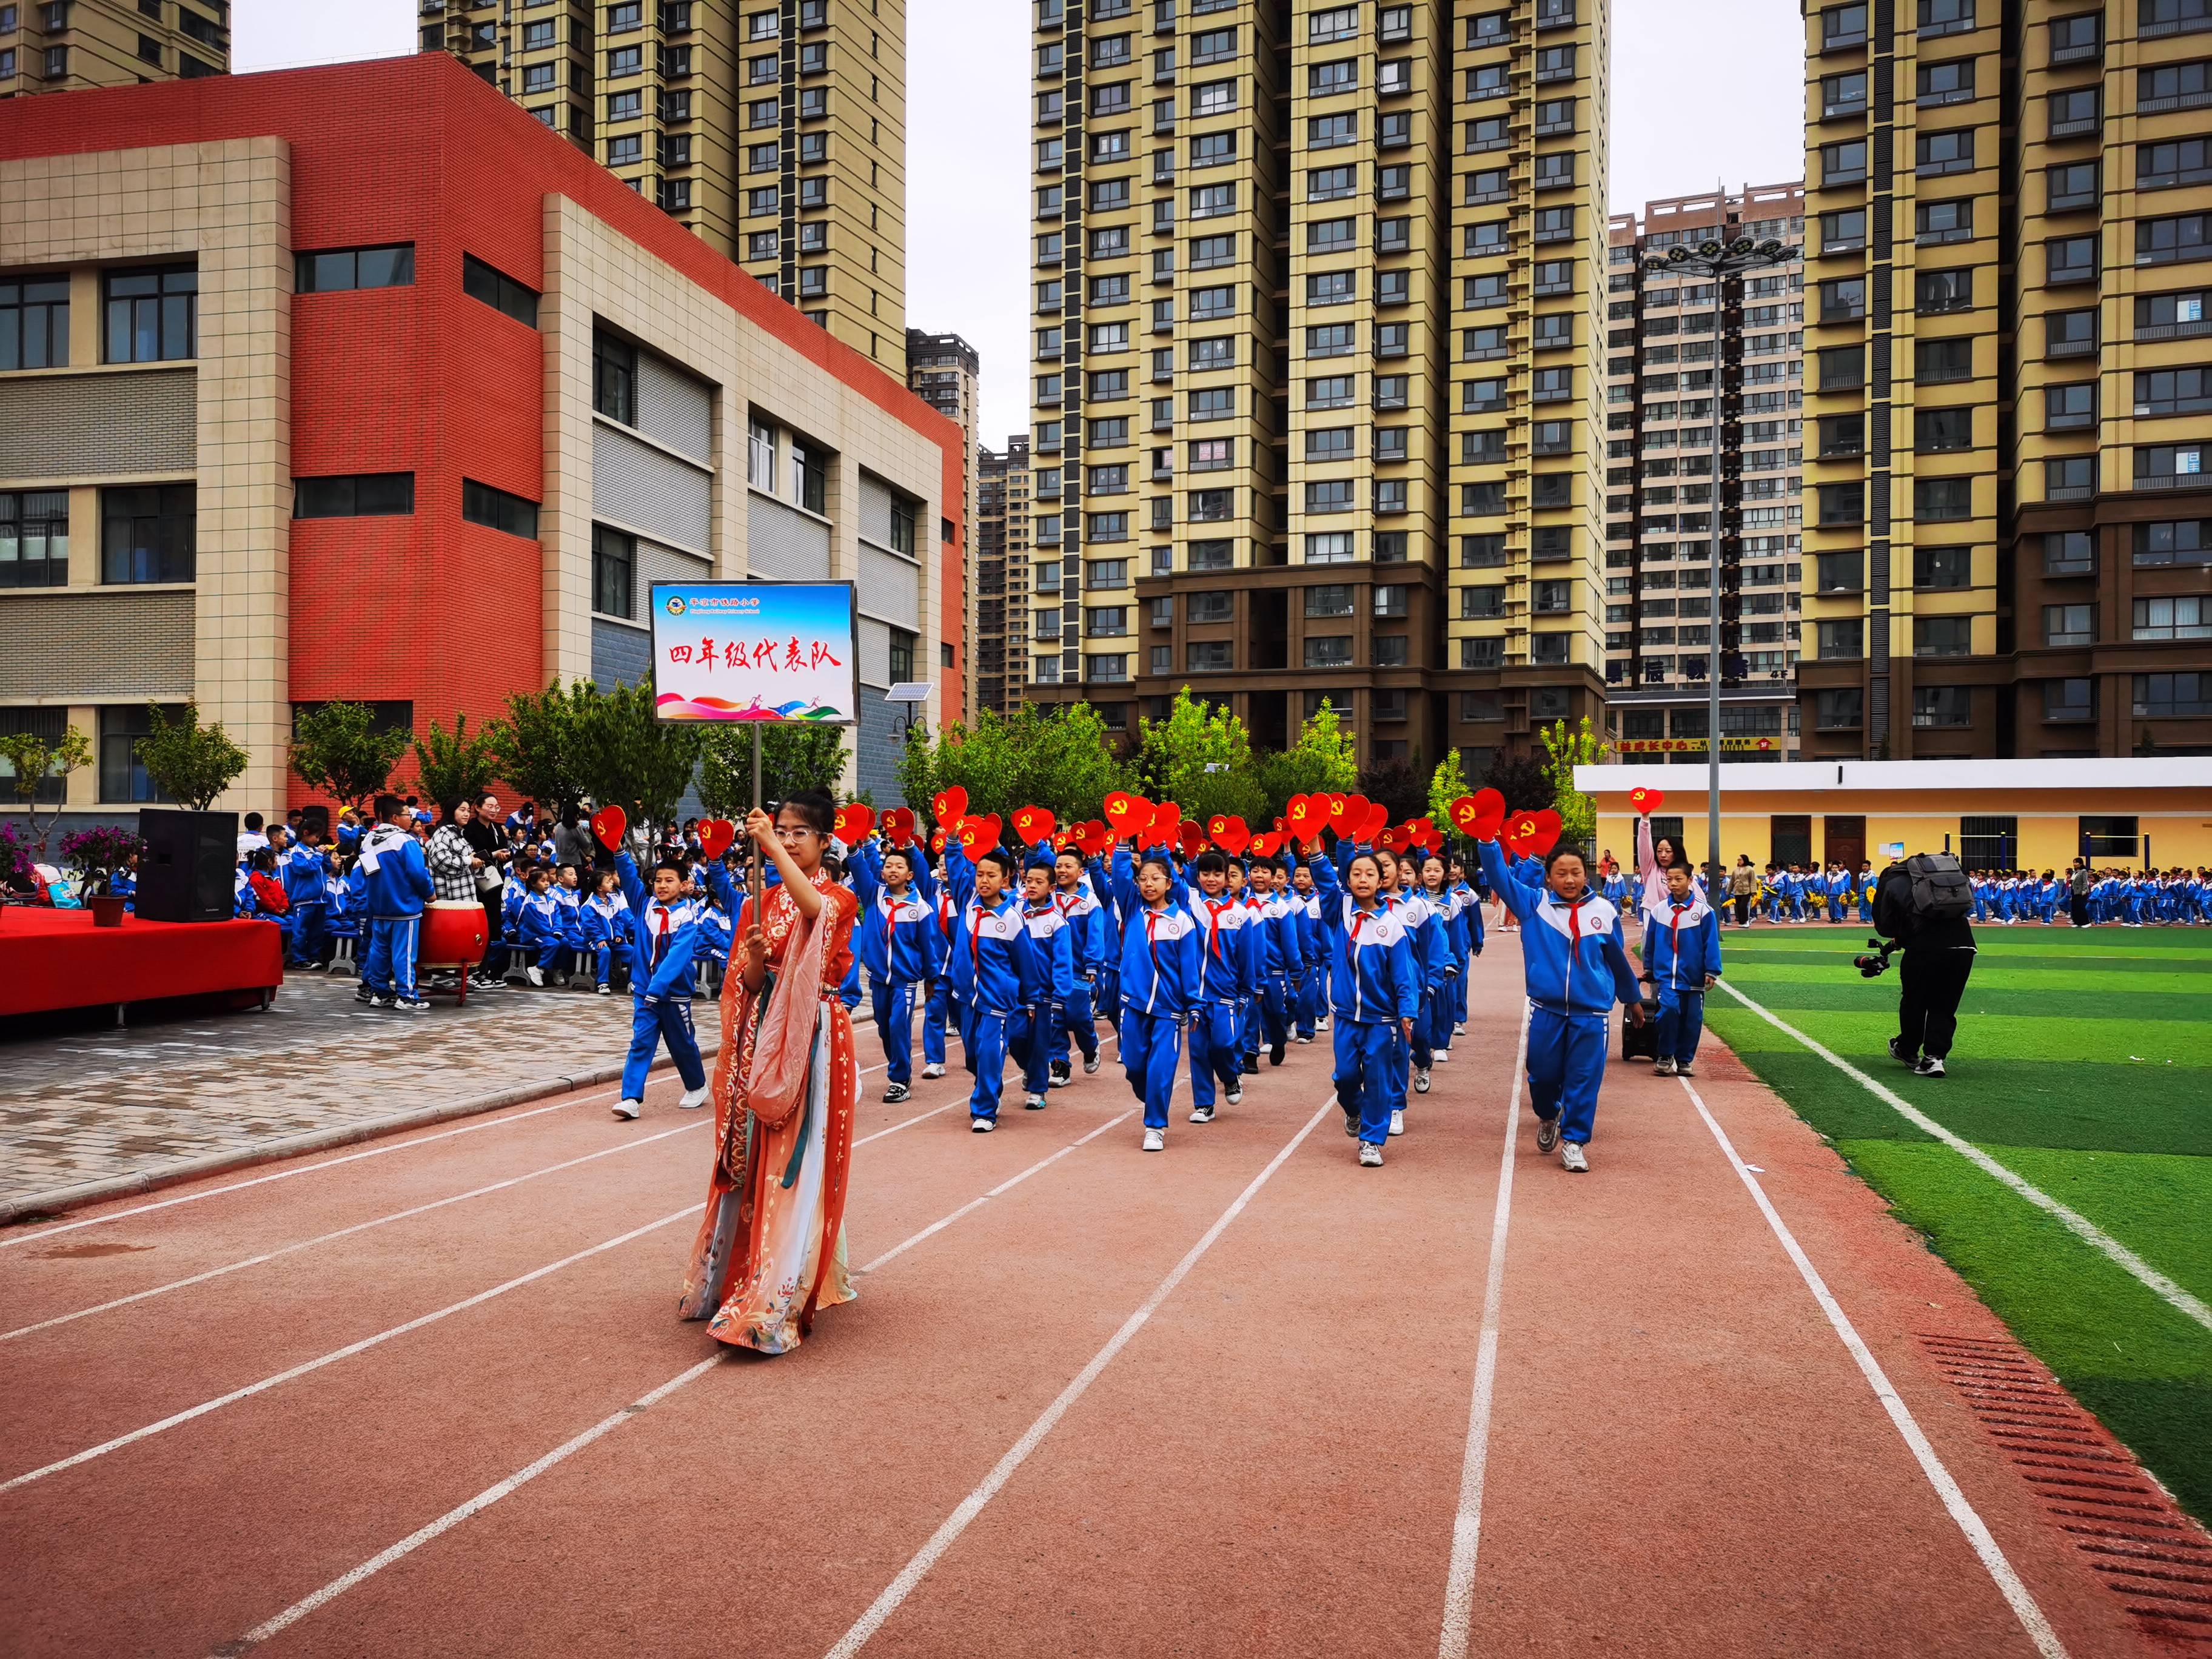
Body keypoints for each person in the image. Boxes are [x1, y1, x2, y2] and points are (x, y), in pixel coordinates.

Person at [677, 792, 860, 1355]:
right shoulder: (759, 902)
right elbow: (750, 985)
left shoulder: (837, 896)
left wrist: (764, 845)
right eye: (782, 830)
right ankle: (746, 1271)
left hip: (816, 1036)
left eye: (798, 832)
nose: (788, 839)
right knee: (755, 1155)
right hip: (765, 1034)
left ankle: (777, 1294)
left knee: (795, 1161)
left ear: (825, 841)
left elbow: (816, 912)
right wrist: (755, 955)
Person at [1478, 833, 1646, 1173]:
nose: (1569, 879)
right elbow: (1499, 878)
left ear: (1587, 875)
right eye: (1561, 873)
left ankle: (1574, 1142)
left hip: (1591, 1014)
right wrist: (1487, 841)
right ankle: (1547, 1114)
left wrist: (1631, 998)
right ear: (1549, 877)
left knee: (1585, 1079)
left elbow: (1616, 958)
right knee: (1541, 1077)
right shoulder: (1533, 904)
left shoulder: (1603, 911)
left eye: (1576, 872)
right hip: (1547, 1011)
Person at [1305, 833, 1418, 1166]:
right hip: (1345, 1016)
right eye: (1356, 874)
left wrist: (1407, 1011)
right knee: (1345, 1077)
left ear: (1381, 880)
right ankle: (1353, 1110)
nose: (1363, 879)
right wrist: (1313, 846)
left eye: (1370, 873)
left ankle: (1371, 1140)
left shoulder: (1392, 926)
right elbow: (1326, 881)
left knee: (1379, 1080)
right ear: (1349, 880)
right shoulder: (1340, 910)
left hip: (1381, 1021)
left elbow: (1404, 975)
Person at [609, 843, 728, 1120]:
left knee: (682, 1044)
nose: (662, 886)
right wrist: (619, 853)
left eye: (669, 880)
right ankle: (630, 1098)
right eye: (658, 880)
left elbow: (677, 957)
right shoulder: (644, 905)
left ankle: (697, 1086)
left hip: (673, 994)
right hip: (644, 992)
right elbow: (628, 878)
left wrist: (658, 988)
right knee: (641, 1042)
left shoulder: (688, 917)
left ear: (684, 885)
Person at [1107, 836, 1202, 1152]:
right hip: (1133, 1004)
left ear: (1168, 882)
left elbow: (1191, 968)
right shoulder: (1133, 909)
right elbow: (1120, 875)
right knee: (1135, 1065)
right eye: (1143, 879)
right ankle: (1151, 1095)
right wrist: (1122, 840)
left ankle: (1155, 1126)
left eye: (1156, 879)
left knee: (1162, 1068)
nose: (1148, 884)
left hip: (1169, 1009)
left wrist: (1194, 1005)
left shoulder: (1182, 922)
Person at [1874, 851, 1976, 1079]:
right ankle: (1934, 1058)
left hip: (1923, 949)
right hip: (1963, 947)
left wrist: (1901, 935)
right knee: (1945, 1005)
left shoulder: (1892, 882)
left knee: (1915, 1001)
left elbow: (1885, 926)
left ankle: (1908, 1050)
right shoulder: (1946, 875)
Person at [358, 794, 434, 1012]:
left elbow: (368, 871)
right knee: (404, 952)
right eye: (406, 815)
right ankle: (407, 995)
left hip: (379, 907)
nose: (410, 818)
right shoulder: (405, 841)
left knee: (379, 951)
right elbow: (418, 873)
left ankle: (380, 993)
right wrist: (429, 893)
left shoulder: (368, 841)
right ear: (394, 818)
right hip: (404, 906)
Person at [1644, 862, 1721, 1077]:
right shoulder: (1659, 911)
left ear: (1690, 880)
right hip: (1667, 978)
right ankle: (1665, 1055)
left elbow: (1711, 943)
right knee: (1668, 1011)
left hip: (1694, 978)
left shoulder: (1704, 912)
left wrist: (1712, 970)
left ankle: (1685, 1059)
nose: (1673, 884)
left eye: (1679, 879)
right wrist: (1649, 967)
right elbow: (1650, 942)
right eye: (1669, 879)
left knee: (1692, 1019)